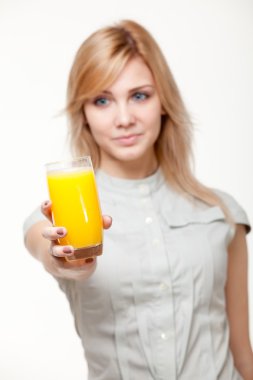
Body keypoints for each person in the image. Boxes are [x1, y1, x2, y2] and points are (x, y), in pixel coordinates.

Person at [23, 20, 253, 380]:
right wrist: (67, 260)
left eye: (139, 95)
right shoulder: (56, 221)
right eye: (102, 100)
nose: (124, 118)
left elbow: (243, 355)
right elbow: (45, 247)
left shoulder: (221, 213)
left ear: (164, 101)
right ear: (83, 114)